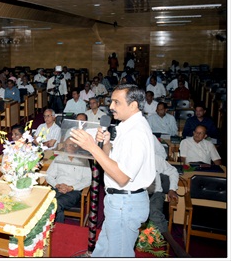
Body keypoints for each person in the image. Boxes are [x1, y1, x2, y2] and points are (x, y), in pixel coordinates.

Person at [70, 84, 155, 257]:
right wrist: (106, 145)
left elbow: (122, 177)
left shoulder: (136, 133)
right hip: (118, 201)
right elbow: (112, 162)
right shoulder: (127, 126)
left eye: (116, 102)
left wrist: (92, 147)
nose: (110, 107)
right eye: (111, 101)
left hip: (126, 203)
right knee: (103, 249)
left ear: (133, 105)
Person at [45, 137, 92, 223]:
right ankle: (55, 228)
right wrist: (57, 185)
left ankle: (56, 229)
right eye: (66, 145)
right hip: (58, 188)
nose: (68, 148)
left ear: (76, 146)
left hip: (73, 191)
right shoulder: (59, 158)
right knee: (46, 202)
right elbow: (48, 175)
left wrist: (71, 187)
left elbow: (87, 179)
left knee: (56, 204)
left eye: (70, 145)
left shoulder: (83, 160)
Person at [148, 147, 179, 234]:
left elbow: (173, 171)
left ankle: (163, 240)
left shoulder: (155, 158)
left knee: (154, 211)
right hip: (136, 194)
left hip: (155, 194)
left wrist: (172, 189)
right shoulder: (129, 158)